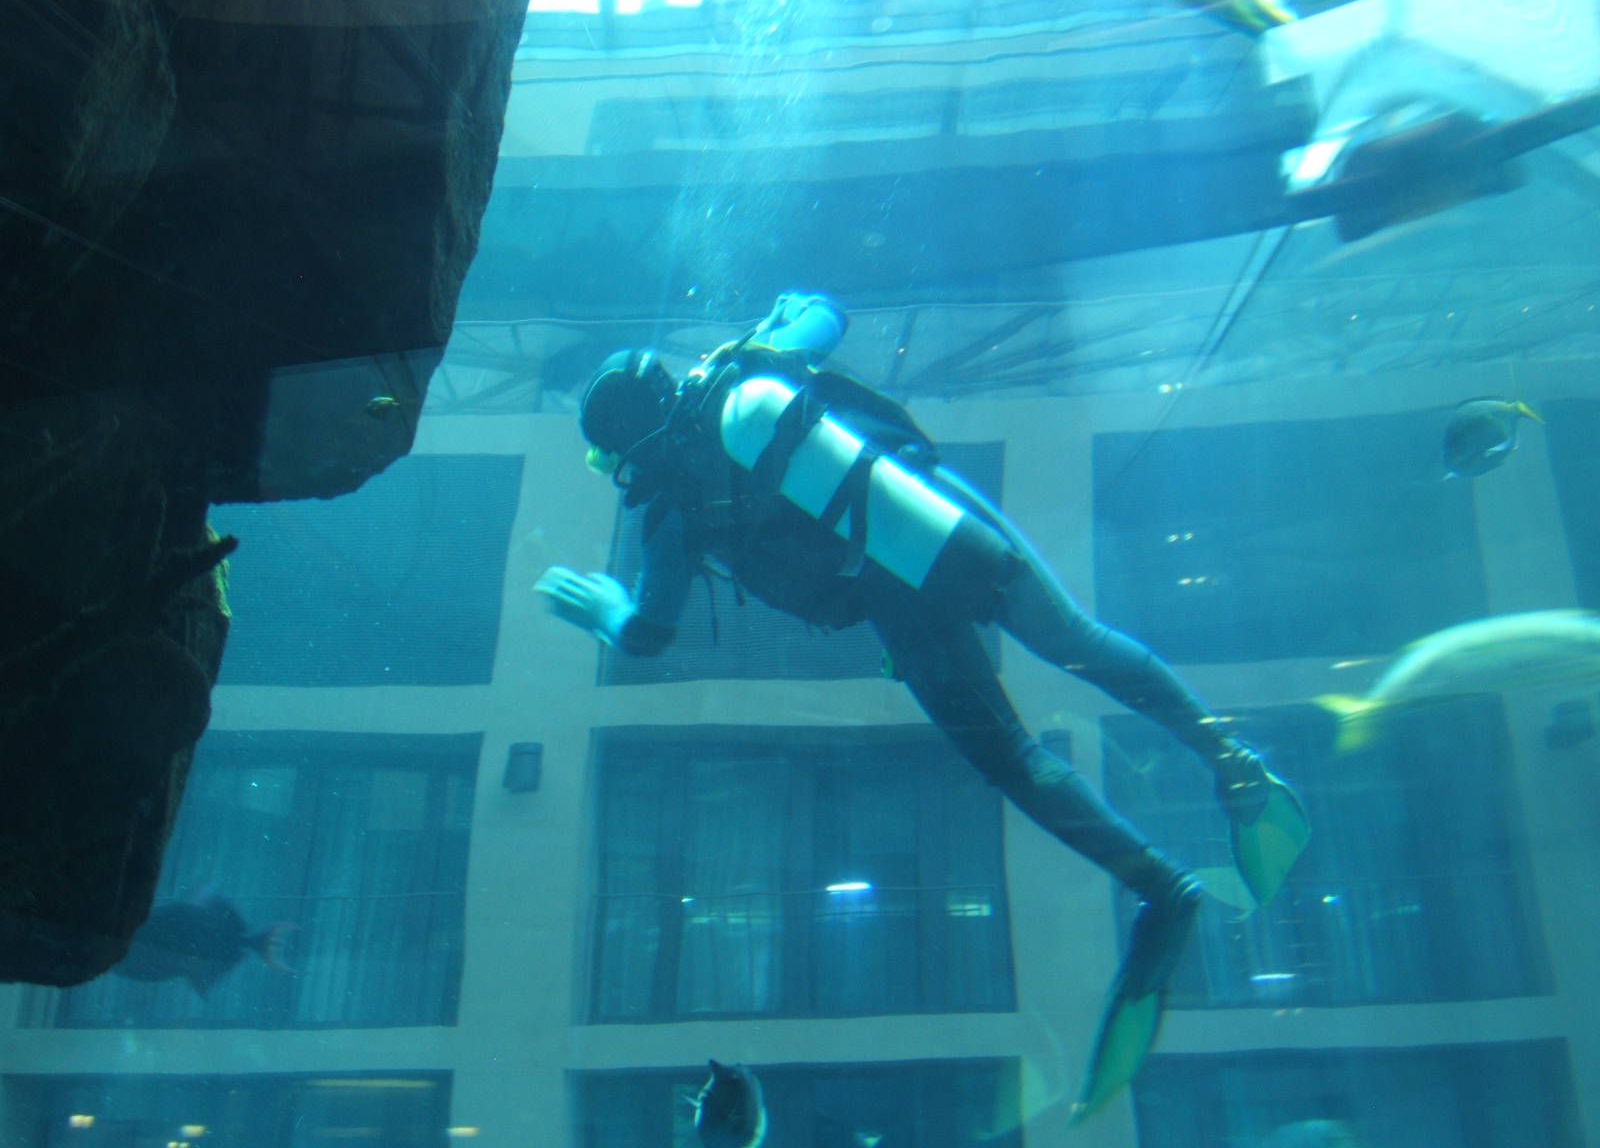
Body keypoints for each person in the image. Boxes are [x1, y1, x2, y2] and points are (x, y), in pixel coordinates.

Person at [537, 293, 1310, 1120]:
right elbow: (828, 313)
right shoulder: (748, 370)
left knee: (1014, 756)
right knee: (1077, 639)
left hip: (894, 600)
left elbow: (650, 632)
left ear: (618, 452)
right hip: (938, 520)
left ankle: (1163, 888)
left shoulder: (671, 513)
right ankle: (1235, 768)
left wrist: (605, 610)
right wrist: (780, 317)